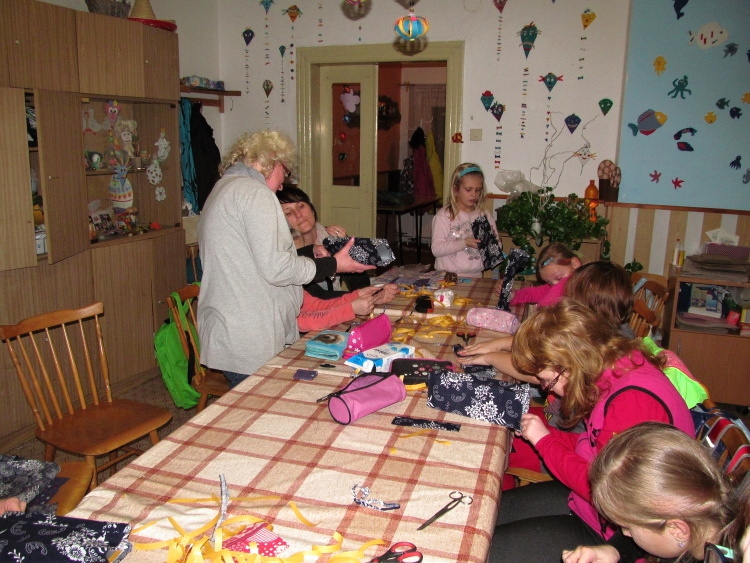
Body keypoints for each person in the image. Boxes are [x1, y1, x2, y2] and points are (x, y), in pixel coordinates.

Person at [489, 299, 695, 562]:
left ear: (571, 364)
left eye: (548, 381)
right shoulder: (617, 370)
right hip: (586, 505)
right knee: (484, 514)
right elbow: (594, 446)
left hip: (615, 536)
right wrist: (545, 435)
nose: (548, 390)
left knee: (484, 550)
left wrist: (544, 442)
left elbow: (607, 492)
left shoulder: (632, 401)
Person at [197, 130, 373, 388]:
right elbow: (278, 268)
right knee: (261, 404)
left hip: (231, 330)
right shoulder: (255, 193)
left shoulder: (222, 189)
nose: (281, 185)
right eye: (285, 172)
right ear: (272, 161)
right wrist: (335, 264)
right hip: (250, 335)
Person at [562, 422, 739, 563]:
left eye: (628, 527)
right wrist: (614, 550)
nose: (625, 534)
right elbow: (646, 535)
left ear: (677, 530)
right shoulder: (706, 518)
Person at [277, 185, 370, 295]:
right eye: (289, 213)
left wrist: (346, 248)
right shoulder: (285, 253)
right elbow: (317, 297)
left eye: (301, 206)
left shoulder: (330, 237)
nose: (298, 214)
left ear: (312, 209)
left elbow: (362, 286)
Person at [431, 162, 499, 278]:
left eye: (478, 190)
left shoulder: (484, 215)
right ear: (456, 189)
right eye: (468, 189)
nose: (474, 195)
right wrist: (464, 243)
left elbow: (496, 247)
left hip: (476, 275)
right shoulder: (444, 216)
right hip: (447, 276)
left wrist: (492, 242)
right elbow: (436, 249)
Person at [508, 242, 582, 308]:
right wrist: (515, 295)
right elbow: (537, 292)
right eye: (550, 282)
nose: (555, 285)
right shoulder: (555, 285)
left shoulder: (585, 284)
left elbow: (547, 303)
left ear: (575, 264)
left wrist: (543, 308)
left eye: (559, 278)